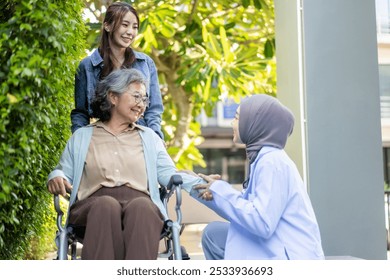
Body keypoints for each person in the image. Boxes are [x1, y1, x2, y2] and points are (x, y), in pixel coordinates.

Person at [47, 68, 203, 260]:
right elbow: (62, 173)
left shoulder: (149, 138)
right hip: (91, 207)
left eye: (145, 100)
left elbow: (168, 174)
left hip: (140, 202)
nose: (142, 105)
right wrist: (56, 177)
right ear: (113, 97)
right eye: (136, 97)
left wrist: (200, 184)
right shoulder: (82, 137)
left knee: (142, 208)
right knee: (106, 205)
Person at [193, 94, 325, 260]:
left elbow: (262, 222)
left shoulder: (272, 161)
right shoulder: (262, 158)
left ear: (255, 123)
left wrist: (221, 191)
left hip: (292, 258)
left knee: (215, 236)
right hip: (278, 246)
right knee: (213, 235)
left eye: (236, 118)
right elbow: (248, 212)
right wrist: (214, 194)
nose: (232, 123)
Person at [71, 2, 164, 139]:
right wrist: (79, 142)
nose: (130, 32)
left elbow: (154, 110)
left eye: (135, 27)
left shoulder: (145, 64)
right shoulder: (87, 66)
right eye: (125, 25)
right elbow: (80, 113)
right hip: (102, 138)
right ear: (107, 26)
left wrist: (156, 138)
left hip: (139, 138)